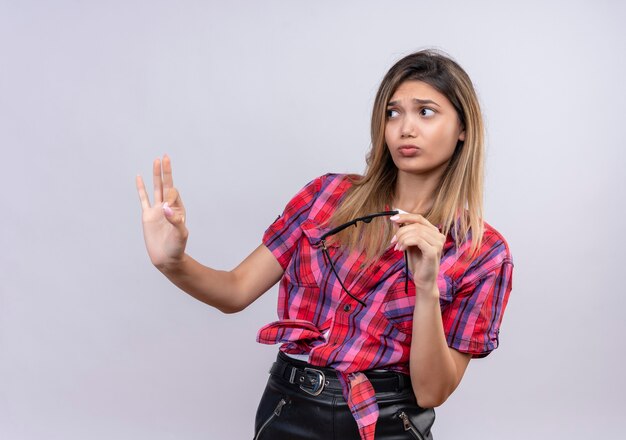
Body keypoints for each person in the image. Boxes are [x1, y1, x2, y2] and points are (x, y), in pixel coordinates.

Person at [135, 49, 513, 440]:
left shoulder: (483, 253)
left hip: (388, 424)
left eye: (426, 112)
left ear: (463, 127)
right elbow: (235, 291)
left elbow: (432, 391)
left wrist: (427, 288)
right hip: (289, 409)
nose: (405, 128)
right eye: (393, 112)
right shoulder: (326, 197)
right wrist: (172, 262)